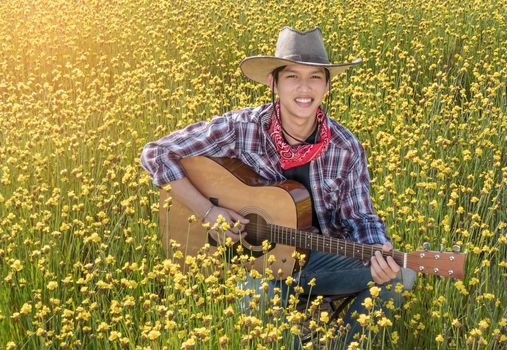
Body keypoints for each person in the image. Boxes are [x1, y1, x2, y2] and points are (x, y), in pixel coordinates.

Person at [140, 26, 415, 345]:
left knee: (402, 274)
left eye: (315, 77)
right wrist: (208, 210)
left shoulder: (345, 147)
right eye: (292, 76)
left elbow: (360, 218)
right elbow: (156, 153)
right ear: (273, 82)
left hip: (316, 260)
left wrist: (377, 250)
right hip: (253, 265)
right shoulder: (242, 128)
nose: (304, 88)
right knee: (259, 302)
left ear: (327, 85)